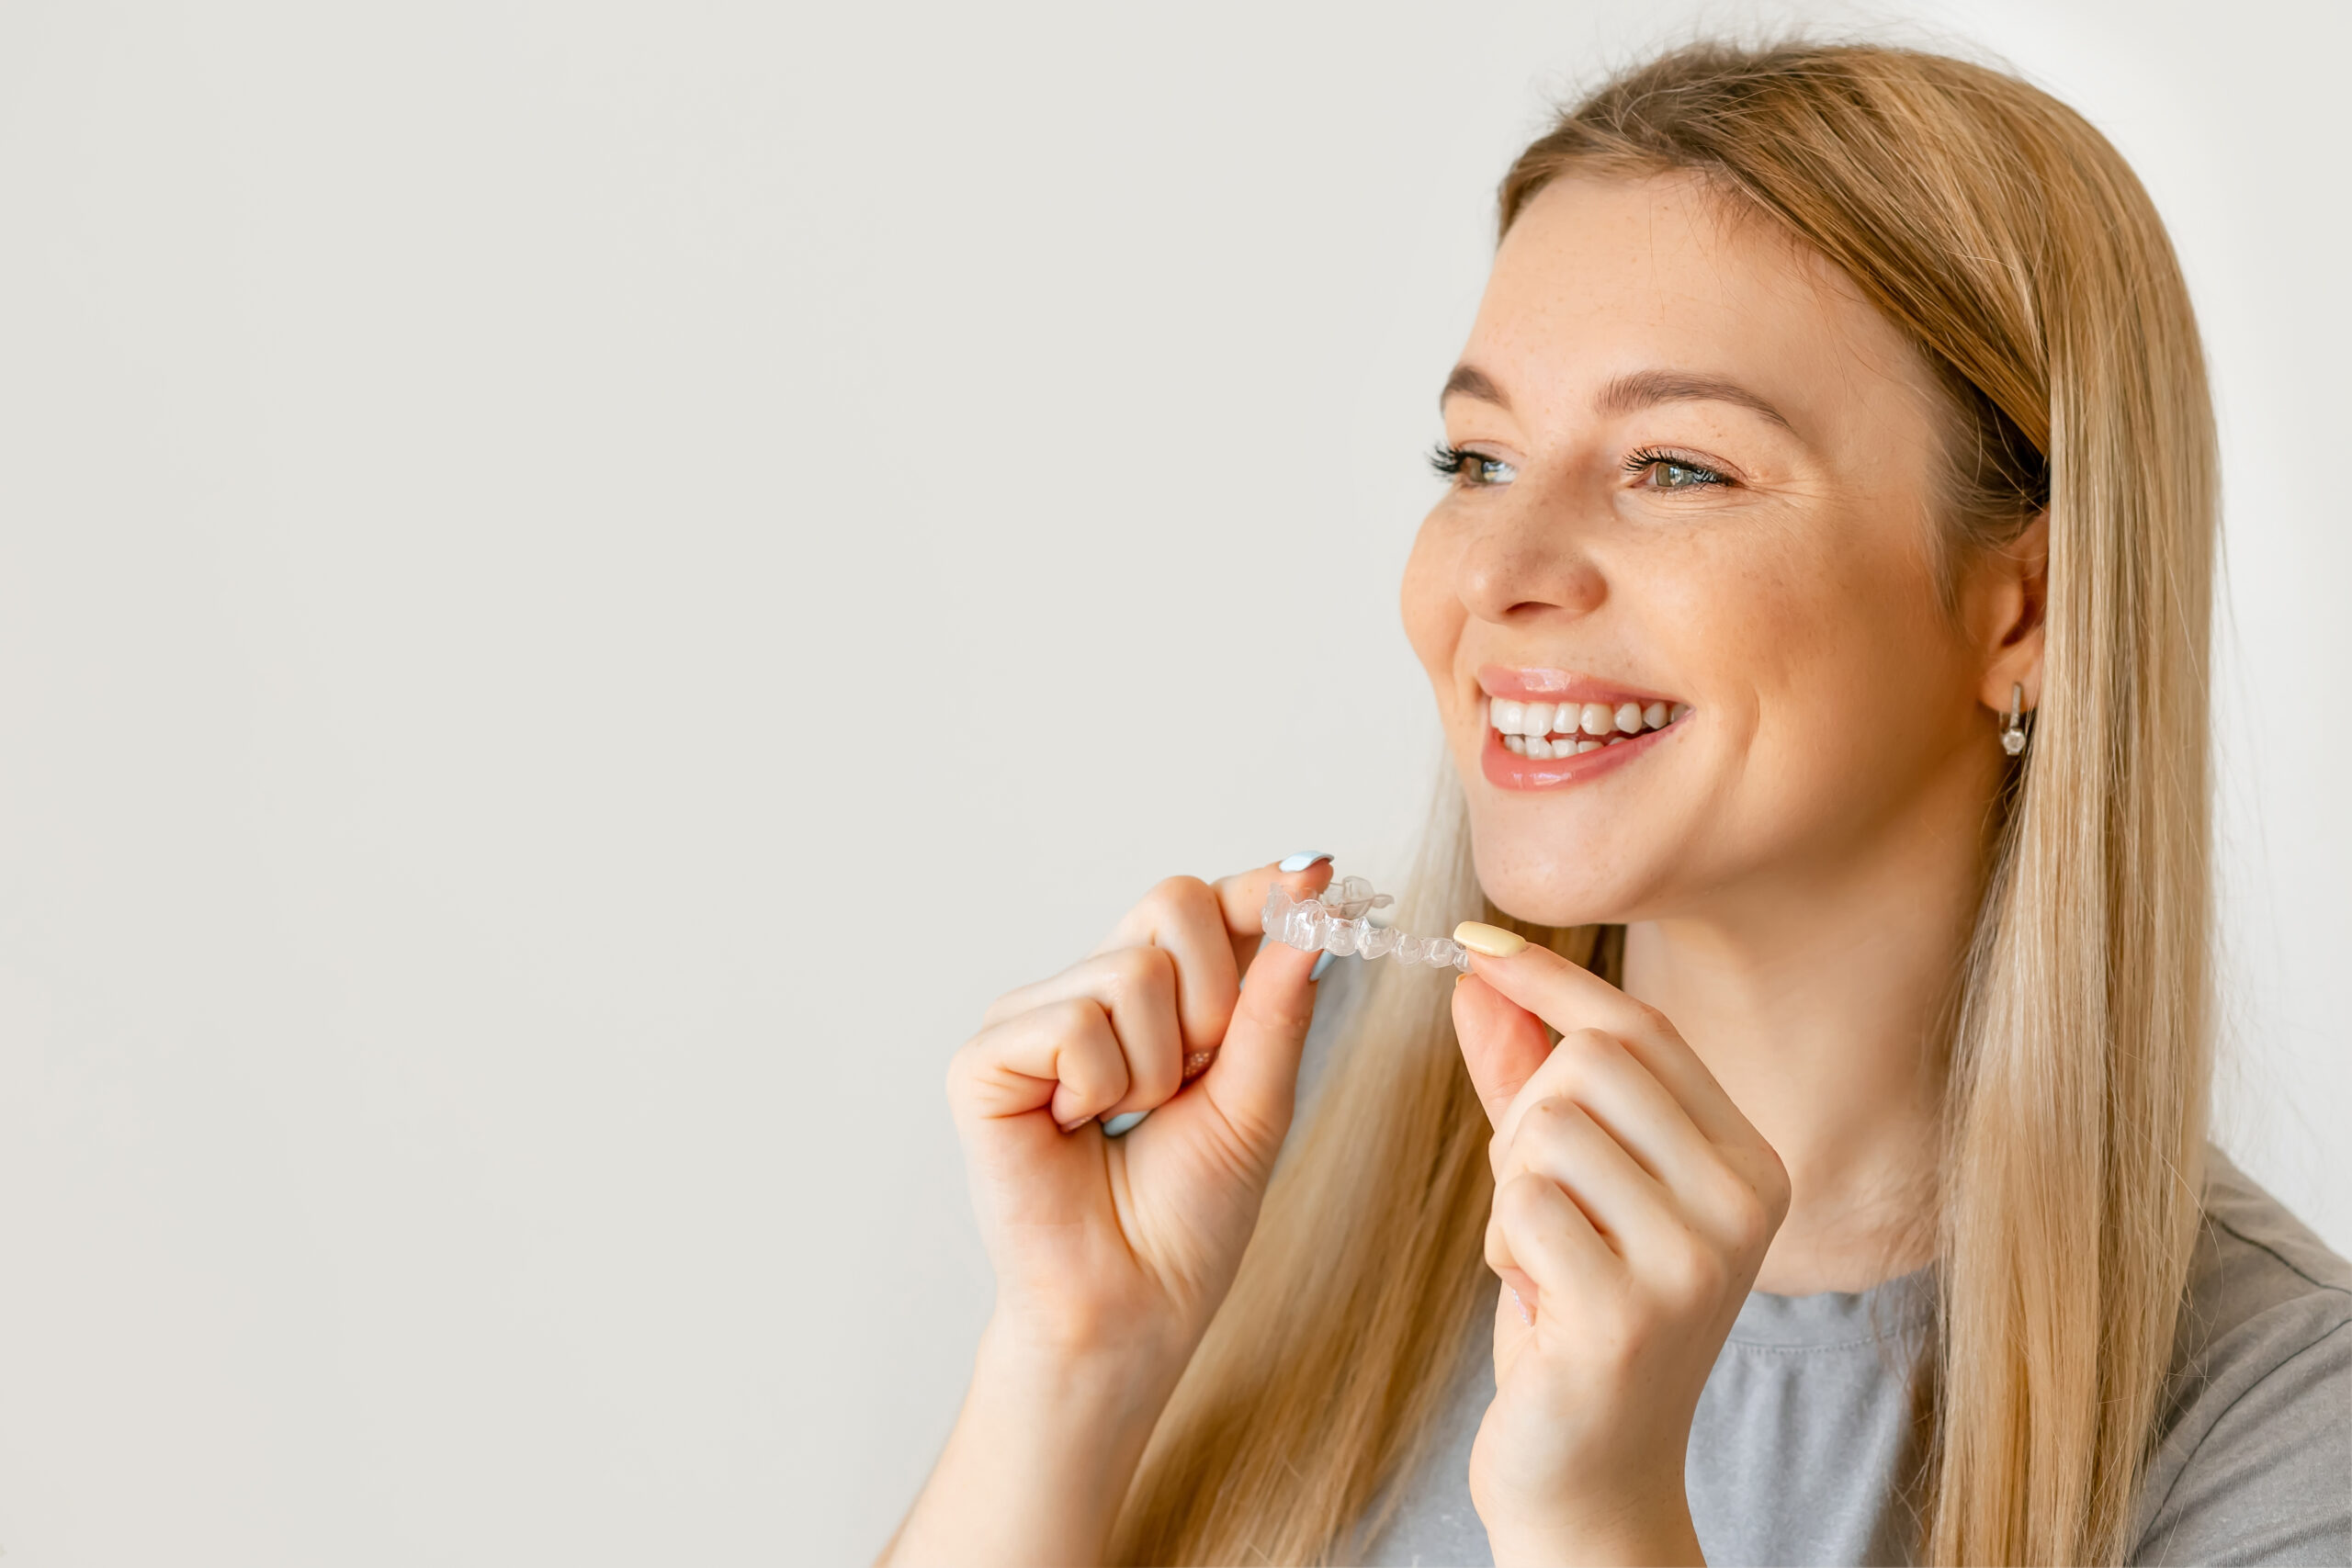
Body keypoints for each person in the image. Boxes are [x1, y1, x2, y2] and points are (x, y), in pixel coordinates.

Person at [881, 40, 2351, 1567]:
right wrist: (1075, 1360)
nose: (1498, 579)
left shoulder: (2283, 1431)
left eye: (1673, 467)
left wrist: (1600, 1518)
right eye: (1479, 457)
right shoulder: (1261, 1137)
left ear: (2025, 608)